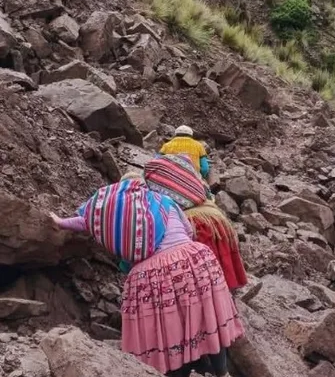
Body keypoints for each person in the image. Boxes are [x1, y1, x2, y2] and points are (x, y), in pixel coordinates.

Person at [50, 174, 243, 377]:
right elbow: (188, 230)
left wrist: (60, 222)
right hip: (193, 260)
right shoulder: (163, 201)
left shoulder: (113, 212)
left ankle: (175, 370)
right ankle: (221, 372)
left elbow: (84, 222)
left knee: (168, 330)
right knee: (207, 316)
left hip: (148, 275)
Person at [143, 155, 247, 291]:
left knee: (207, 277)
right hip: (214, 215)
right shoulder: (186, 165)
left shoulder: (157, 171)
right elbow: (204, 168)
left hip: (197, 224)